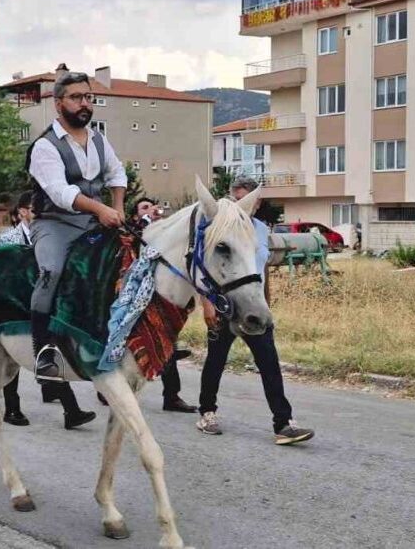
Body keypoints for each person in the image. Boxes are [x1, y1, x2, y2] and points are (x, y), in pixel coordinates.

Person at [195, 177, 315, 445]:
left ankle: (283, 423)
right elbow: (202, 269)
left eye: (245, 199)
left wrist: (265, 304)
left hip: (252, 307)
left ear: (256, 203)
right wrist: (207, 305)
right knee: (215, 361)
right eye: (235, 198)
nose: (240, 204)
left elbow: (260, 271)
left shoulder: (260, 230)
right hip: (223, 305)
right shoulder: (216, 227)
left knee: (269, 363)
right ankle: (207, 412)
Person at [28, 70, 128, 380]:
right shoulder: (44, 146)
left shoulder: (98, 138)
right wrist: (100, 209)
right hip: (55, 223)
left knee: (133, 261)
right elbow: (60, 193)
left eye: (88, 97)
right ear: (58, 104)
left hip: (94, 221)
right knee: (51, 271)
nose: (84, 103)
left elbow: (117, 173)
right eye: (75, 98)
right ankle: (42, 349)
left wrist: (118, 208)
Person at [0, 192, 96, 430]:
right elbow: (0, 269)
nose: (39, 215)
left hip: (46, 304)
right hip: (16, 304)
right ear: (22, 212)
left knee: (52, 351)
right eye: (33, 210)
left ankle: (68, 407)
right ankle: (12, 407)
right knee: (13, 358)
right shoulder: (10, 238)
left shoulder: (57, 236)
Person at [126, 198, 198, 414]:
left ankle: (172, 396)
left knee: (167, 344)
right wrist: (145, 222)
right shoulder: (134, 232)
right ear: (135, 215)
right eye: (144, 208)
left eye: (152, 206)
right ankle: (110, 388)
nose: (151, 210)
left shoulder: (167, 235)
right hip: (135, 297)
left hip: (160, 298)